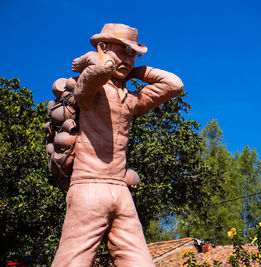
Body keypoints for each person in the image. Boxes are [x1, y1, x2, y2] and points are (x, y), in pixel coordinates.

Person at [51, 23, 183, 267]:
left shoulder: (130, 100)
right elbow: (99, 71)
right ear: (102, 47)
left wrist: (136, 72)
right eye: (122, 50)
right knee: (72, 262)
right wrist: (93, 57)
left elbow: (174, 85)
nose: (128, 60)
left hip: (121, 191)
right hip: (88, 187)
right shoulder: (88, 90)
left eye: (133, 54)